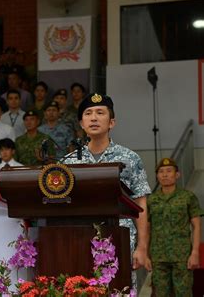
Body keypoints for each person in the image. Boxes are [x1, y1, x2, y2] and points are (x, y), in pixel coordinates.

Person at [64, 93, 151, 288]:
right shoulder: (69, 162)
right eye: (88, 113)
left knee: (120, 290)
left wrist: (142, 247)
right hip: (80, 240)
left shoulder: (130, 158)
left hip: (120, 239)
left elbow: (141, 205)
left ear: (111, 123)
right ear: (81, 123)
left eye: (100, 113)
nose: (94, 118)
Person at [146, 158, 201, 296]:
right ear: (157, 176)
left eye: (169, 171)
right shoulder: (151, 200)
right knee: (160, 293)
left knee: (184, 293)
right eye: (161, 171)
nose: (165, 174)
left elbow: (197, 226)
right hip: (158, 256)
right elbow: (146, 229)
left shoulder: (188, 197)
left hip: (182, 255)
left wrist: (195, 253)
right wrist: (145, 254)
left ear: (177, 174)